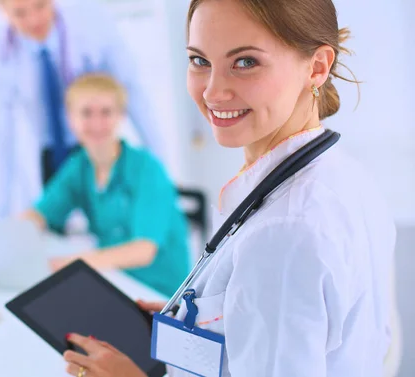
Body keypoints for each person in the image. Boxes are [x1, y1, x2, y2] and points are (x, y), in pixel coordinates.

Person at [60, 0, 397, 376]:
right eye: (200, 61)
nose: (212, 92)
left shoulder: (282, 231)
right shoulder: (345, 176)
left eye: (246, 62)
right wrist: (202, 319)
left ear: (316, 67)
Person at [0, 0, 163, 219]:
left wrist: (162, 172)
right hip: (49, 156)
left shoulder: (91, 21)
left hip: (98, 147)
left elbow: (133, 94)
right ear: (2, 10)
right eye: (20, 13)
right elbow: (0, 140)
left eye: (40, 6)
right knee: (54, 228)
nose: (34, 20)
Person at [21, 73, 190, 297]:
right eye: (86, 113)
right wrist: (12, 234)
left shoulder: (146, 169)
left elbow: (143, 251)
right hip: (115, 278)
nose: (96, 123)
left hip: (161, 293)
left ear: (120, 116)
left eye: (106, 112)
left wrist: (72, 262)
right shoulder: (79, 166)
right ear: (71, 119)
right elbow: (41, 213)